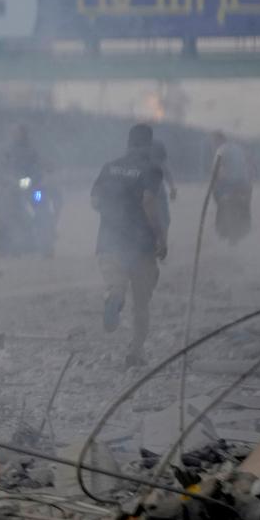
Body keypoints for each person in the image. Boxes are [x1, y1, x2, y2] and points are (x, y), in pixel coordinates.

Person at [91, 124, 168, 368]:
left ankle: (114, 295)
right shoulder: (151, 169)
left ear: (128, 143)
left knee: (116, 283)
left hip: (109, 241)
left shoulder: (109, 167)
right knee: (141, 303)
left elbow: (94, 201)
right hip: (141, 244)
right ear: (148, 144)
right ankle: (136, 352)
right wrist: (161, 236)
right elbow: (148, 202)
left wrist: (114, 216)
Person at [0, 125, 44, 257]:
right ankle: (3, 245)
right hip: (10, 189)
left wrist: (31, 180)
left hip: (32, 189)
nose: (19, 135)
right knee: (5, 213)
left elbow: (39, 168)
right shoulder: (4, 150)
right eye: (16, 133)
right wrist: (9, 181)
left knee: (42, 202)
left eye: (22, 133)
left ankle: (42, 237)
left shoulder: (32, 151)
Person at [211, 131, 253, 244]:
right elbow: (248, 166)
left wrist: (215, 183)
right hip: (243, 184)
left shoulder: (220, 150)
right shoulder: (238, 148)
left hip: (228, 184)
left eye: (214, 142)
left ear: (218, 141)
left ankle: (222, 227)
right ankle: (244, 226)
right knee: (246, 204)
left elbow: (216, 171)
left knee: (218, 199)